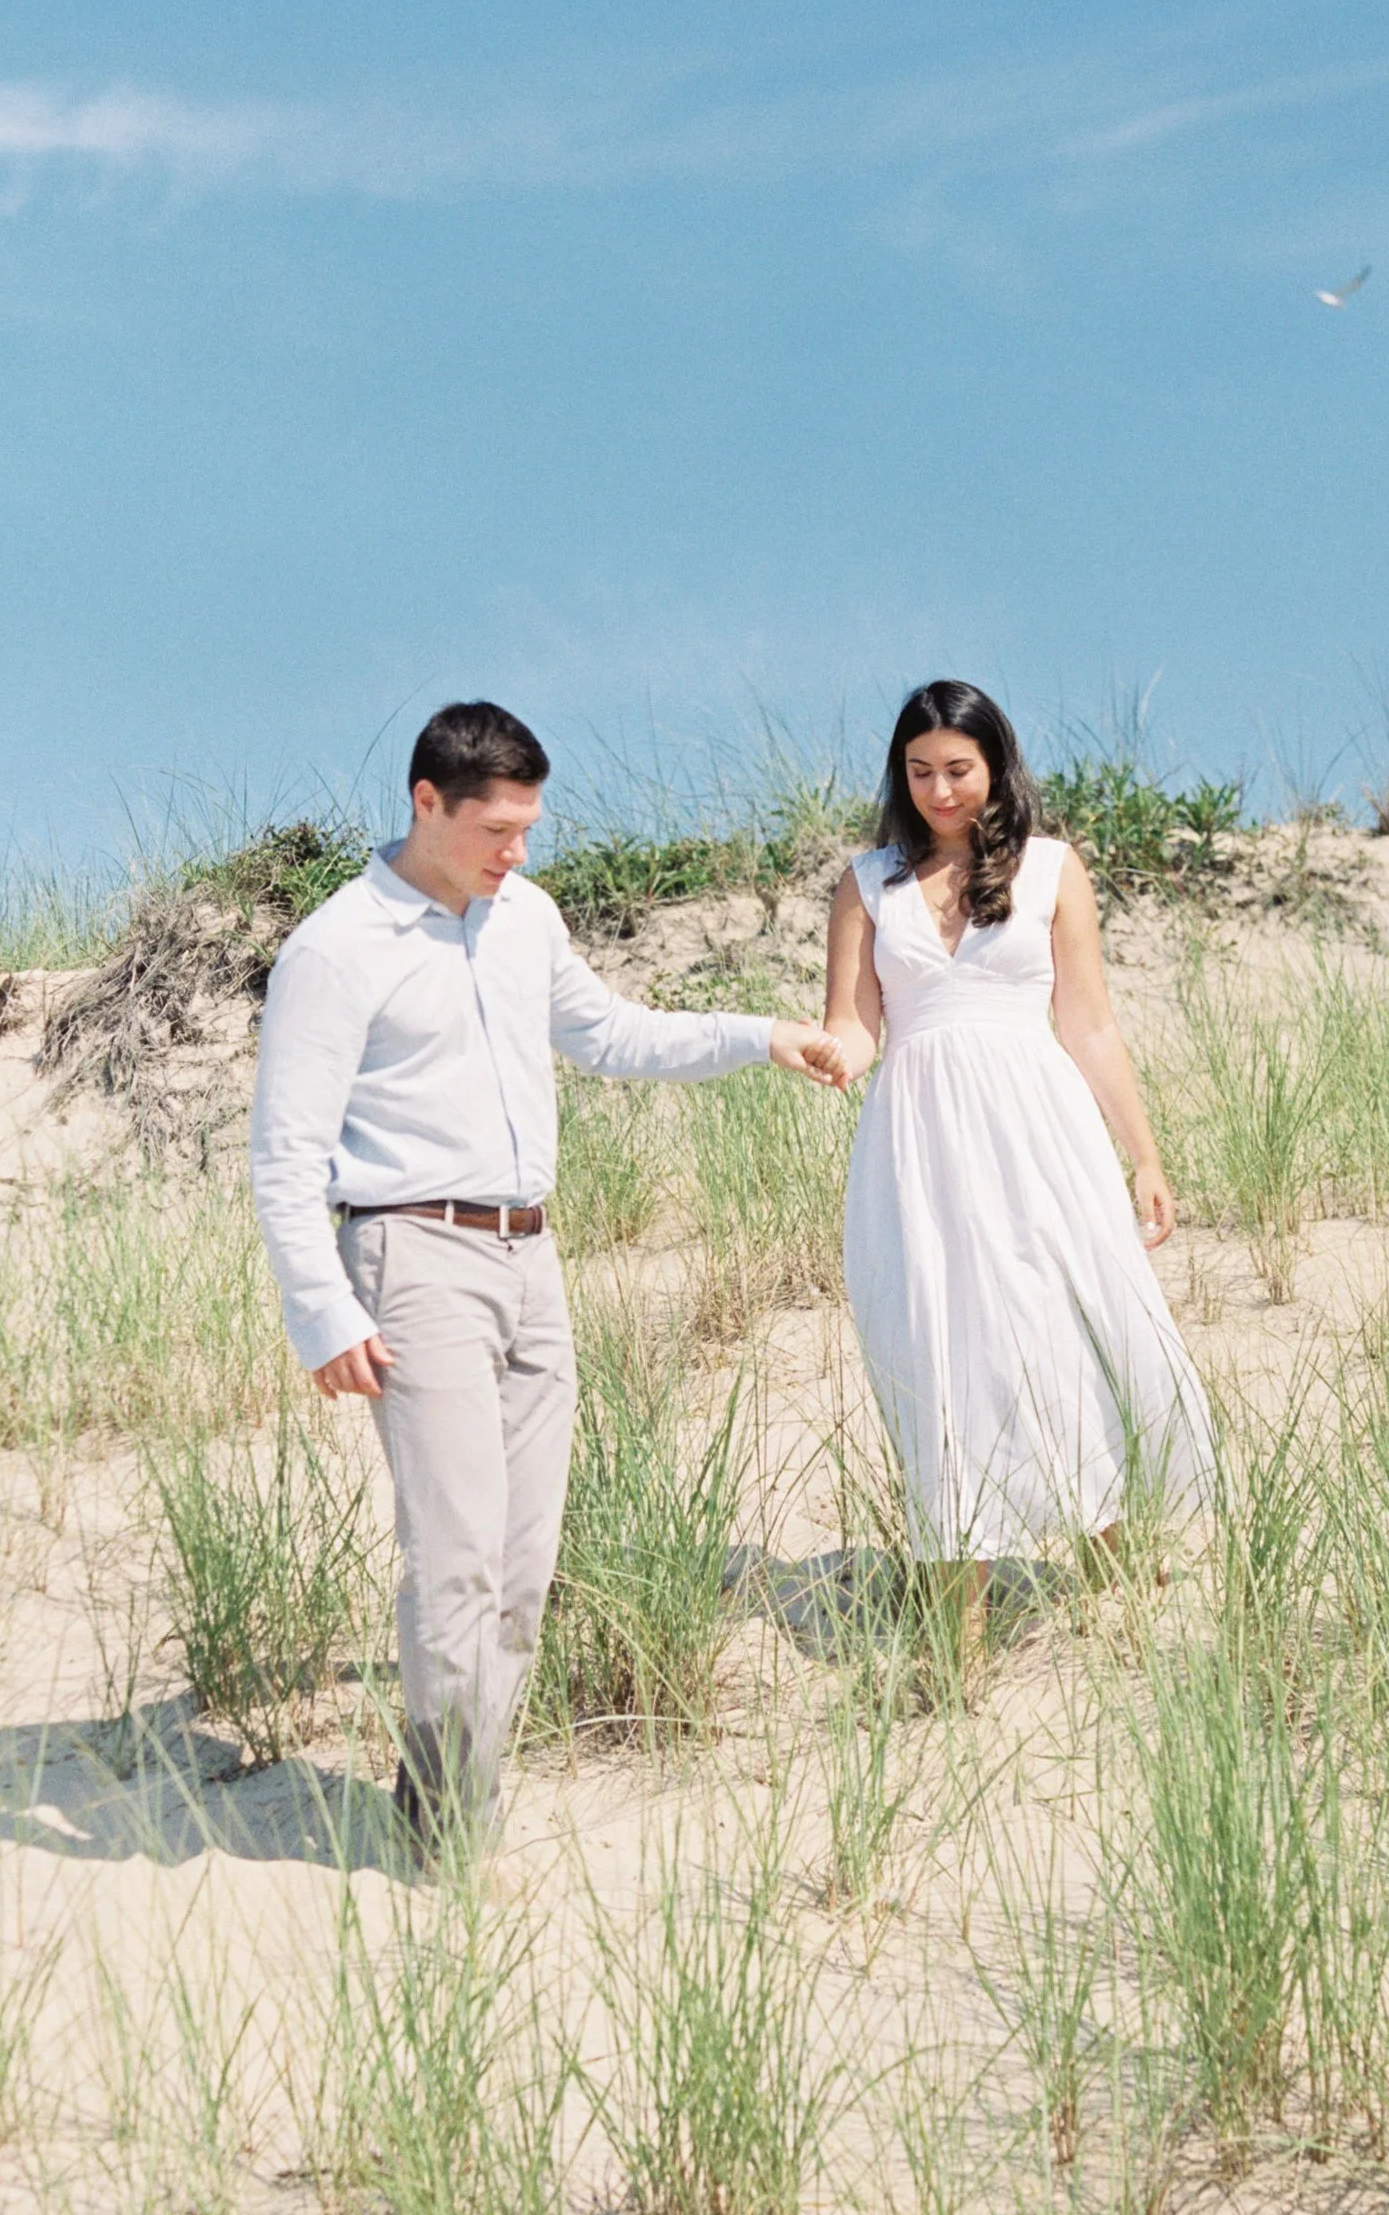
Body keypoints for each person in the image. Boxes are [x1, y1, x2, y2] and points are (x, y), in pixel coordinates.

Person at [250, 699, 846, 1852]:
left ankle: (456, 1799)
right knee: (457, 1560)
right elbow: (284, 1154)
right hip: (410, 1257)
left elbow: (611, 1034)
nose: (515, 854)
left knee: (524, 1569)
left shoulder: (524, 919)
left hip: (536, 1259)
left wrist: (760, 1035)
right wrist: (317, 1306)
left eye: (528, 829)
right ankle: (447, 1834)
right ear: (427, 803)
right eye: (496, 830)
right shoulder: (334, 948)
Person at [820, 679, 1213, 1670]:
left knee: (1064, 1327)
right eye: (918, 773)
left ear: (994, 768)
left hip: (1039, 1129)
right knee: (944, 1352)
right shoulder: (864, 884)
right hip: (918, 1141)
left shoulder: (1048, 871)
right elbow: (856, 1027)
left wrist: (1145, 1156)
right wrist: (815, 1052)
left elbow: (1088, 1023)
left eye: (957, 770)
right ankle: (960, 1616)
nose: (938, 792)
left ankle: (1113, 1554)